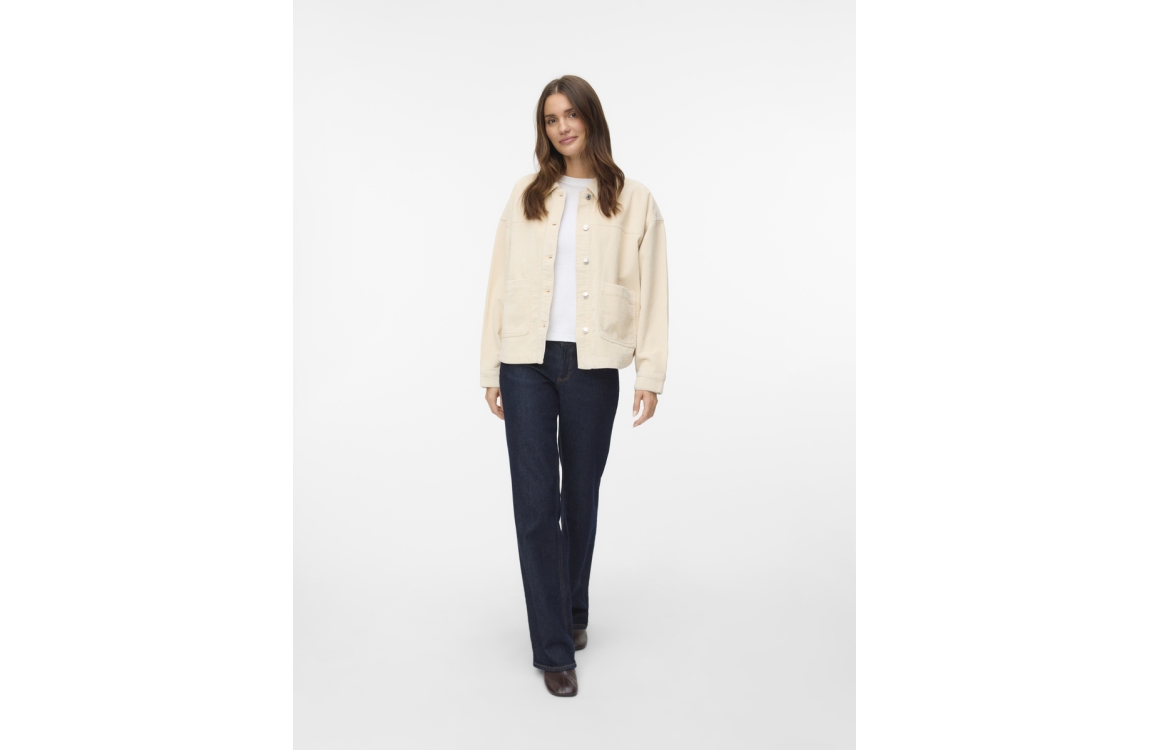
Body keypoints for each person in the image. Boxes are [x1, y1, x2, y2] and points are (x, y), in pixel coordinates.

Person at [479, 75, 669, 697]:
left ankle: (573, 610)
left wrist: (650, 372)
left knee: (580, 498)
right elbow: (500, 282)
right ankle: (553, 648)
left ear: (591, 118)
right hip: (525, 362)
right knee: (537, 505)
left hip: (593, 364)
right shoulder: (526, 194)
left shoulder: (633, 199)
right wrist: (490, 366)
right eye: (550, 119)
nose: (562, 127)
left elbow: (654, 290)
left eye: (570, 115)